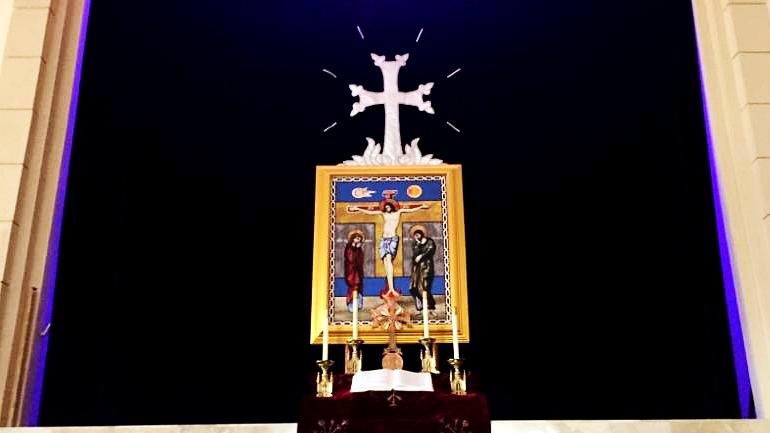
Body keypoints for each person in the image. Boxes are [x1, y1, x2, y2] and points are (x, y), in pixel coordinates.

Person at [348, 197, 429, 297]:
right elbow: (370, 212)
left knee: (389, 260)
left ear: (392, 207)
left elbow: (410, 209)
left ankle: (392, 288)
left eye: (388, 207)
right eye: (385, 208)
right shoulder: (384, 214)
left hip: (392, 239)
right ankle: (390, 288)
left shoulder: (398, 212)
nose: (387, 209)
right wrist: (357, 208)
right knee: (386, 263)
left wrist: (421, 206)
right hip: (384, 240)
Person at [408, 225, 436, 312]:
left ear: (421, 234)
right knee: (413, 288)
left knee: (425, 287)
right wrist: (418, 245)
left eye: (417, 235)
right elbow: (415, 255)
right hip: (417, 269)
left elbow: (430, 251)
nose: (416, 237)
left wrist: (421, 256)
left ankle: (430, 305)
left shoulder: (429, 242)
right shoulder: (415, 244)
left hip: (426, 268)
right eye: (415, 236)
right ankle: (420, 306)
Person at [344, 230, 365, 312]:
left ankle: (359, 304)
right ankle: (351, 304)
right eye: (356, 238)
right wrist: (354, 248)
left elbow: (360, 260)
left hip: (358, 272)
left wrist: (358, 248)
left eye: (359, 238)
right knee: (353, 286)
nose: (358, 240)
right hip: (351, 271)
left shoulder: (359, 248)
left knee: (359, 286)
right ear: (353, 239)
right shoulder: (349, 247)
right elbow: (350, 259)